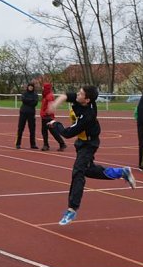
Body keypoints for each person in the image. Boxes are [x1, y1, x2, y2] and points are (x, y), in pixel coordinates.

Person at [48, 85, 137, 226]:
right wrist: (55, 104)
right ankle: (122, 172)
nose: (78, 94)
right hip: (82, 143)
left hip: (89, 144)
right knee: (89, 170)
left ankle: (72, 209)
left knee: (78, 171)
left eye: (81, 93)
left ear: (87, 100)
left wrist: (55, 123)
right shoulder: (81, 100)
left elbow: (67, 133)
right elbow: (66, 95)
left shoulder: (87, 116)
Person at [16, 82, 39, 149]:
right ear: (28, 87)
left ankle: (33, 144)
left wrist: (28, 101)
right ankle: (18, 143)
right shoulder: (24, 93)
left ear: (33, 87)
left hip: (31, 113)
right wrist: (30, 100)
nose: (30, 88)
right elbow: (23, 100)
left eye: (32, 87)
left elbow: (35, 103)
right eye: (29, 86)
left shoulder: (35, 94)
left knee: (32, 129)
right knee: (20, 128)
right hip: (23, 112)